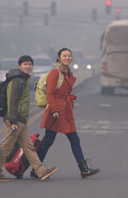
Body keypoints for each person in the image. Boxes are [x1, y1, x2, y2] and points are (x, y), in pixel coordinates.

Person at [31, 48, 100, 178]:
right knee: (48, 141)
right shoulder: (54, 72)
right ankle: (36, 169)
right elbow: (50, 93)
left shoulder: (67, 72)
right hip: (56, 111)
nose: (67, 58)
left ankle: (84, 169)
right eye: (64, 56)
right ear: (59, 57)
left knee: (73, 140)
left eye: (69, 56)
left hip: (66, 110)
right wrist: (55, 110)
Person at [0, 55, 57, 182]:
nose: (28, 66)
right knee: (6, 147)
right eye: (25, 64)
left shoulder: (23, 79)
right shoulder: (16, 80)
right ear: (19, 66)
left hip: (21, 120)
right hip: (15, 120)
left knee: (29, 147)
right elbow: (12, 102)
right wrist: (13, 121)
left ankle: (41, 171)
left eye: (29, 64)